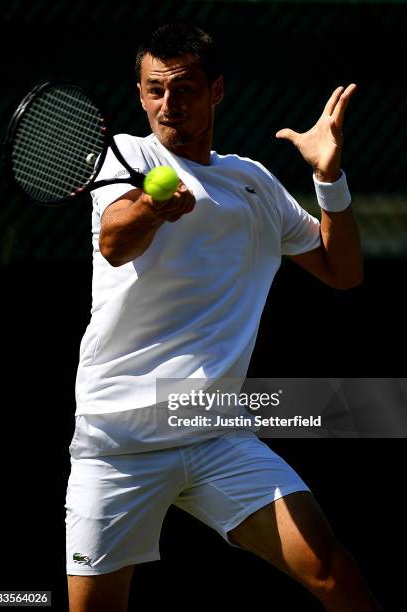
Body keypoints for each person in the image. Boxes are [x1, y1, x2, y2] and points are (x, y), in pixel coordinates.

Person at [65, 23, 382, 612]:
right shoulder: (128, 159)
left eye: (183, 89)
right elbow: (113, 241)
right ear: (139, 94)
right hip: (119, 435)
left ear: (216, 91)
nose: (168, 104)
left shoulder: (253, 182)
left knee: (335, 573)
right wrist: (155, 208)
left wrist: (328, 178)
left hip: (214, 430)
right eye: (154, 90)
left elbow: (344, 272)